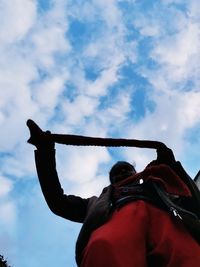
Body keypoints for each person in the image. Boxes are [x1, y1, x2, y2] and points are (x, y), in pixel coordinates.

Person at [27, 119, 200, 267]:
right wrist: (45, 151)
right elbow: (58, 203)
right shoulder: (95, 204)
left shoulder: (162, 189)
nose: (122, 173)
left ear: (135, 174)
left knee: (188, 256)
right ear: (112, 182)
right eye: (116, 174)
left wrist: (173, 166)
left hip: (164, 219)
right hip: (118, 220)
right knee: (103, 248)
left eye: (127, 170)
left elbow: (195, 203)